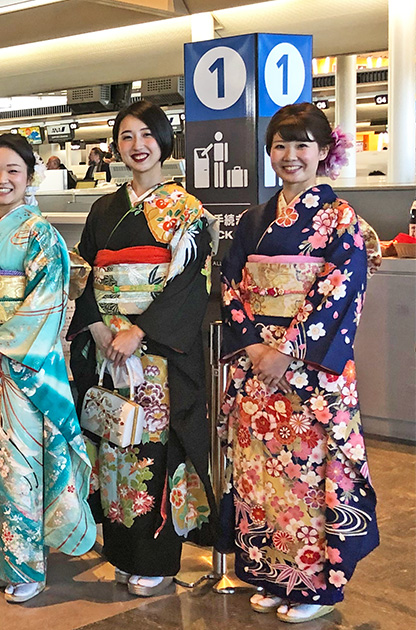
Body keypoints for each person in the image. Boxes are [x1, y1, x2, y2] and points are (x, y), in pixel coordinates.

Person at [219, 102, 377, 624]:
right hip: (257, 368)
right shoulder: (252, 220)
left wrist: (285, 350)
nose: (290, 156)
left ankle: (313, 587)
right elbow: (230, 284)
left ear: (323, 152)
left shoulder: (342, 219)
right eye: (280, 145)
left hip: (307, 371)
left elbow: (340, 288)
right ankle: (269, 572)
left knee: (310, 477)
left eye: (301, 144)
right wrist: (252, 347)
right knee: (262, 473)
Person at [68, 100, 216, 597]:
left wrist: (141, 332)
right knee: (112, 445)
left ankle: (156, 558)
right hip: (108, 348)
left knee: (152, 449)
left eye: (146, 135)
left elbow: (191, 280)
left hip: (154, 354)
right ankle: (122, 554)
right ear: (115, 147)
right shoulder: (103, 208)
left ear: (164, 142)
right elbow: (85, 274)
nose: (137, 146)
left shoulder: (186, 210)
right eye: (126, 136)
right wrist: (97, 328)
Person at [0, 133, 96, 605]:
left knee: (18, 464)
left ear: (30, 177)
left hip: (17, 370)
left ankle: (27, 566)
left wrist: (0, 347)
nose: (2, 179)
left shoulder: (41, 234)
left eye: (13, 171)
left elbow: (46, 300)